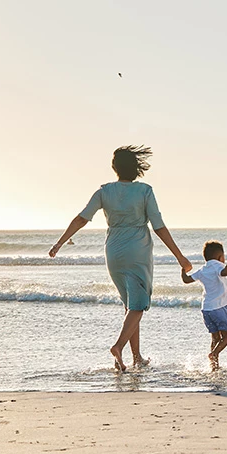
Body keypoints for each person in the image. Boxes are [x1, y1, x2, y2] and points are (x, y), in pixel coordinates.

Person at [49, 145, 191, 372]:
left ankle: (137, 358)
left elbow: (81, 218)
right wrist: (180, 256)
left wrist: (59, 242)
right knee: (139, 304)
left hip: (113, 251)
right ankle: (118, 346)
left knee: (130, 305)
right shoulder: (145, 191)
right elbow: (159, 227)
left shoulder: (104, 192)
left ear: (115, 168)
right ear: (136, 169)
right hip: (138, 251)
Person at [181, 240, 227, 371]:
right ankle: (214, 355)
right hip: (219, 307)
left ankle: (214, 366)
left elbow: (186, 280)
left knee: (215, 338)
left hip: (206, 309)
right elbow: (226, 272)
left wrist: (183, 270)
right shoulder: (217, 266)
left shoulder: (202, 269)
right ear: (220, 257)